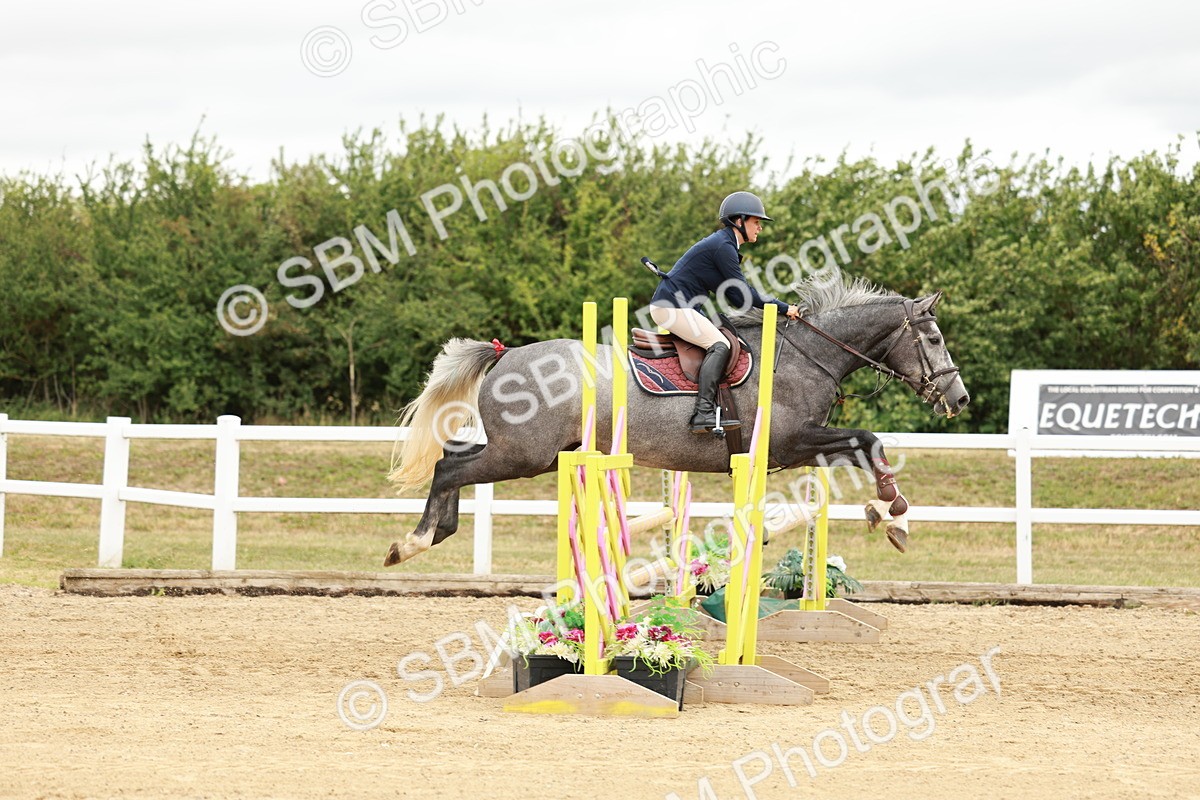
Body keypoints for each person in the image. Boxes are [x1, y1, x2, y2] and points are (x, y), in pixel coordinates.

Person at [649, 191, 801, 434]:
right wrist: (783, 307)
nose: (760, 228)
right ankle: (703, 413)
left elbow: (735, 296)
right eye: (756, 222)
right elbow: (743, 294)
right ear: (739, 221)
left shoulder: (723, 244)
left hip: (674, 307)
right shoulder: (723, 246)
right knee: (721, 345)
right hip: (672, 308)